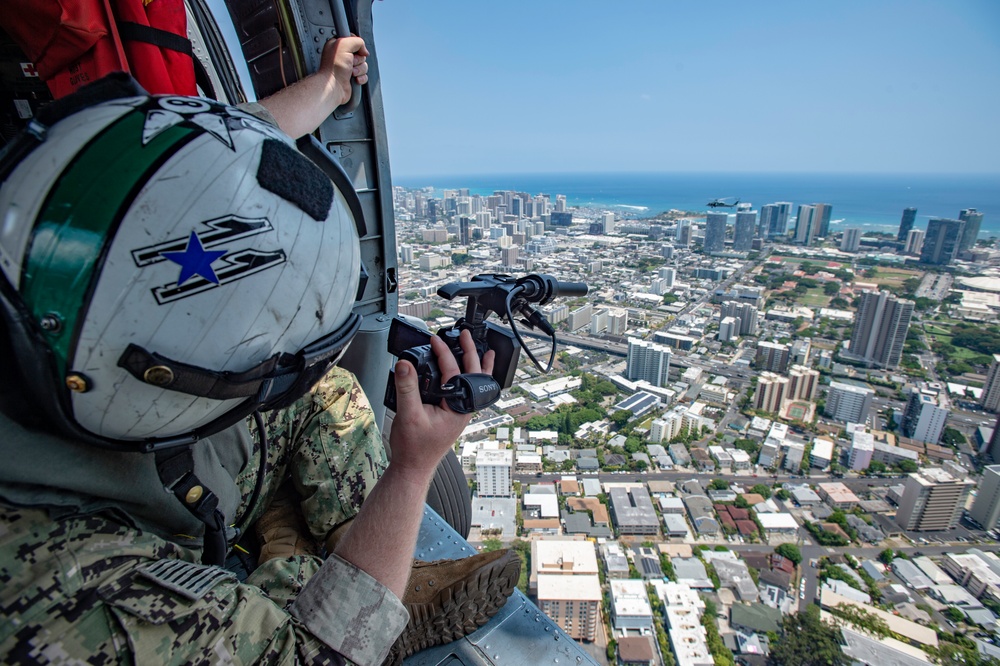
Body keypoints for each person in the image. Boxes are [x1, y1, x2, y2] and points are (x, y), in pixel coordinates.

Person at [0, 35, 519, 665]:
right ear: (157, 377)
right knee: (287, 605)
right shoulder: (71, 600)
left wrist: (327, 88)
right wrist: (412, 470)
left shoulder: (50, 234)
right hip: (142, 540)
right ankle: (333, 579)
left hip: (138, 461)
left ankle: (351, 542)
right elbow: (318, 660)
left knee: (324, 390)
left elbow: (197, 161)